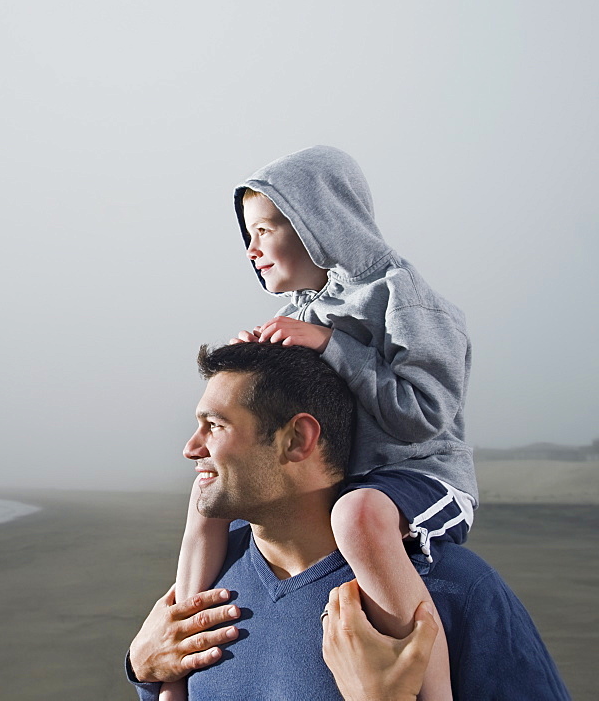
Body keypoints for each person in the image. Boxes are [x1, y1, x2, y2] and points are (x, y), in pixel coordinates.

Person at [169, 146, 477, 700]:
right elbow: (314, 400)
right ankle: (179, 650)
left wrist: (333, 345)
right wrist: (260, 365)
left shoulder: (400, 294)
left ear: (322, 218)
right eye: (247, 235)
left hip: (420, 476)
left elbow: (425, 415)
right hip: (347, 477)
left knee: (358, 516)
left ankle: (434, 692)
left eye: (265, 228)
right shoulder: (309, 310)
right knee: (208, 497)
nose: (252, 249)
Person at [127, 342, 570, 700]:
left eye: (215, 426)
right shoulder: (203, 587)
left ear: (297, 439)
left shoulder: (453, 588)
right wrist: (142, 670)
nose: (190, 447)